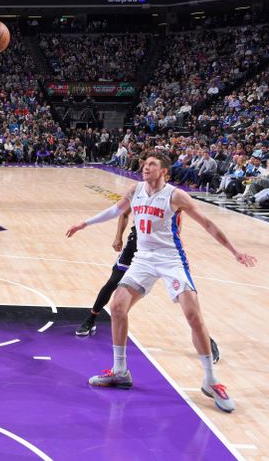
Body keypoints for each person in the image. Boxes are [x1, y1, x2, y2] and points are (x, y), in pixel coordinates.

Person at [66, 150, 256, 413]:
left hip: (171, 259)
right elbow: (115, 210)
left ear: (164, 171)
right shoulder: (135, 190)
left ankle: (211, 380)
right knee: (118, 306)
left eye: (152, 164)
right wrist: (83, 223)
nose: (145, 167)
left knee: (193, 316)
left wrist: (235, 251)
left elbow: (208, 224)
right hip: (143, 258)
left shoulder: (176, 196)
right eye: (145, 163)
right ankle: (120, 371)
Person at [74, 206, 221, 364]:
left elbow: (178, 223)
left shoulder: (174, 196)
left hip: (164, 251)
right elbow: (123, 213)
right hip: (137, 244)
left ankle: (206, 340)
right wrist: (118, 236)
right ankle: (91, 318)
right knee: (113, 282)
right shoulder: (140, 192)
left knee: (187, 299)